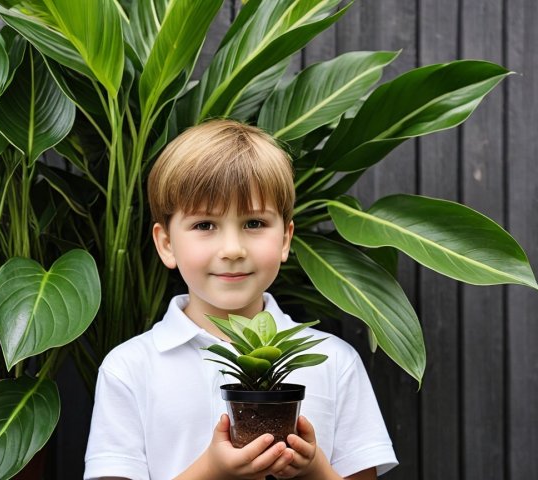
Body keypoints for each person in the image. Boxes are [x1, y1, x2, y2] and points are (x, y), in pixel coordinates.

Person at [84, 119, 398, 479]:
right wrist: (211, 471)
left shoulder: (335, 362)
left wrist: (313, 470)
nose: (232, 249)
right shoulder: (129, 368)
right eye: (205, 225)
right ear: (166, 243)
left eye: (253, 223)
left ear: (285, 239)